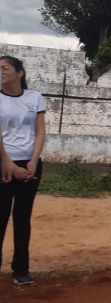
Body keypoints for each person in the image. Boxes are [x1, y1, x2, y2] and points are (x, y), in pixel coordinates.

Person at [0, 56, 47, 285]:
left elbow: (39, 132)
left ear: (19, 73)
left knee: (22, 218)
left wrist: (33, 160)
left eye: (5, 68)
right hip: (3, 164)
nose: (1, 72)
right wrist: (8, 164)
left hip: (30, 165)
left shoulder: (34, 98)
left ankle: (21, 270)